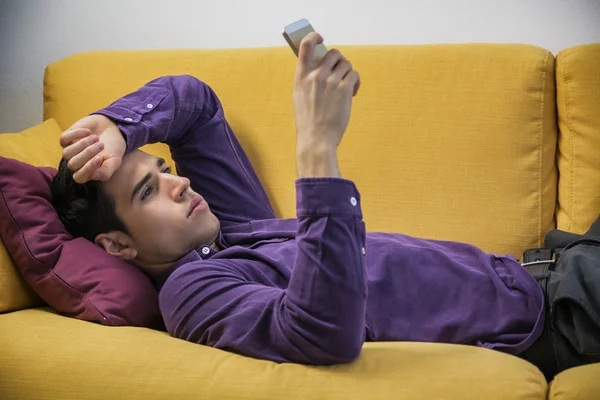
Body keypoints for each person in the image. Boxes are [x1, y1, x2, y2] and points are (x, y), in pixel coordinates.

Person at [50, 32, 596, 379]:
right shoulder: (193, 292)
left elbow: (195, 101)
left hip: (551, 261)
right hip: (554, 314)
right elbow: (318, 332)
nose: (181, 184)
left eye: (163, 169)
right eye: (148, 191)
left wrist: (120, 126)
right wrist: (317, 147)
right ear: (117, 244)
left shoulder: (231, 228)